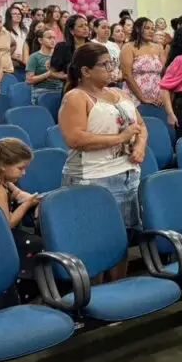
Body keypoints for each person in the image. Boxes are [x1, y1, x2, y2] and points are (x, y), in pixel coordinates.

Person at [58, 44, 146, 261]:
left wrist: (140, 146)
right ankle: (96, 291)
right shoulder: (76, 97)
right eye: (104, 64)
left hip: (127, 174)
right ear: (85, 71)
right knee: (96, 243)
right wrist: (120, 138)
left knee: (122, 239)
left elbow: (141, 126)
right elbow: (75, 139)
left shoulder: (118, 93)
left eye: (111, 63)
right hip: (94, 177)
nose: (110, 68)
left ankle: (120, 288)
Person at [120, 17, 166, 106]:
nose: (151, 31)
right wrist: (142, 98)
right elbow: (127, 75)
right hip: (134, 96)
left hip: (157, 97)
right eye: (147, 28)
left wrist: (162, 95)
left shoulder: (158, 48)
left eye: (153, 29)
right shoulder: (128, 47)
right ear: (137, 29)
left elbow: (165, 74)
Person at [25, 27, 65, 103]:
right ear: (40, 40)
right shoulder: (34, 57)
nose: (53, 40)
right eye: (49, 38)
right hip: (41, 92)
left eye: (54, 38)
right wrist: (48, 74)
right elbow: (29, 80)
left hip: (59, 90)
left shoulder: (59, 56)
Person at [49, 14, 90, 78]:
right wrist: (67, 77)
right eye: (81, 26)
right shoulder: (62, 47)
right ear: (72, 31)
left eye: (86, 25)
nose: (85, 28)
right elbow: (52, 72)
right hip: (70, 85)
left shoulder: (93, 46)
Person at [92, 18, 122, 86]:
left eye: (108, 28)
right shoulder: (91, 44)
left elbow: (121, 65)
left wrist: (120, 75)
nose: (107, 30)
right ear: (96, 29)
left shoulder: (114, 45)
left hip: (117, 82)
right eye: (103, 27)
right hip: (100, 83)